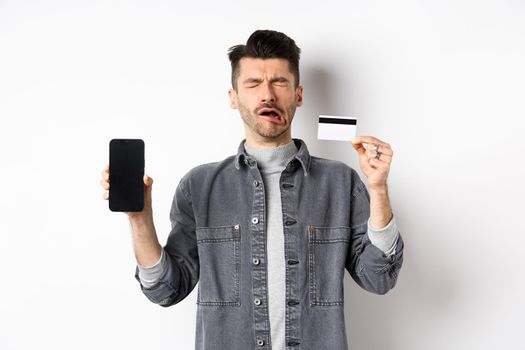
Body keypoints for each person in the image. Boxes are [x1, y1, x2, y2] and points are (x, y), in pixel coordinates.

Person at [100, 29, 404, 350]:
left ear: (298, 95)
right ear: (234, 98)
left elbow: (379, 278)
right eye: (253, 84)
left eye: (279, 82)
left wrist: (379, 189)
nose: (267, 95)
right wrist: (139, 218)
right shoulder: (200, 186)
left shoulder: (340, 182)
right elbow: (166, 291)